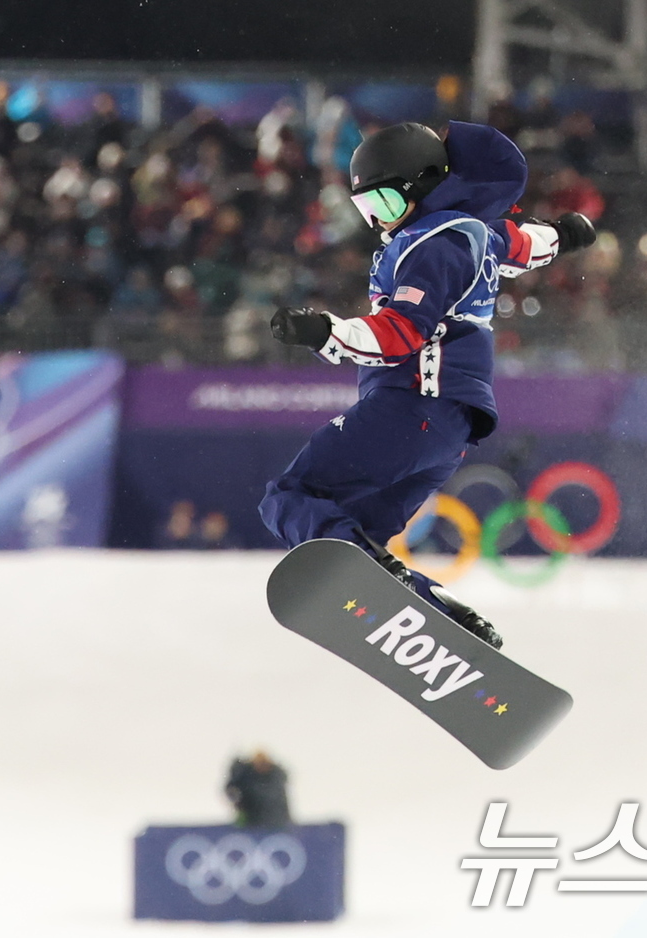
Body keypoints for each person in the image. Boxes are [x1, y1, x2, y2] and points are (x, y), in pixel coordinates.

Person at [259, 121, 596, 649]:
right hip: (449, 431)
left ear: (424, 185)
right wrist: (567, 234)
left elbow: (399, 333)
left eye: (388, 205)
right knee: (357, 537)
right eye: (368, 211)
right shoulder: (476, 230)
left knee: (289, 496)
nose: (380, 223)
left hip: (410, 407)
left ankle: (372, 576)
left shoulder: (432, 245)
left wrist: (324, 331)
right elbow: (527, 245)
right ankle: (439, 612)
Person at [224, 750, 291, 829]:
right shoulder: (245, 776)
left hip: (276, 820)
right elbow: (231, 789)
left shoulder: (276, 776)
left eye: (263, 763)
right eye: (259, 763)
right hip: (249, 820)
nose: (261, 766)